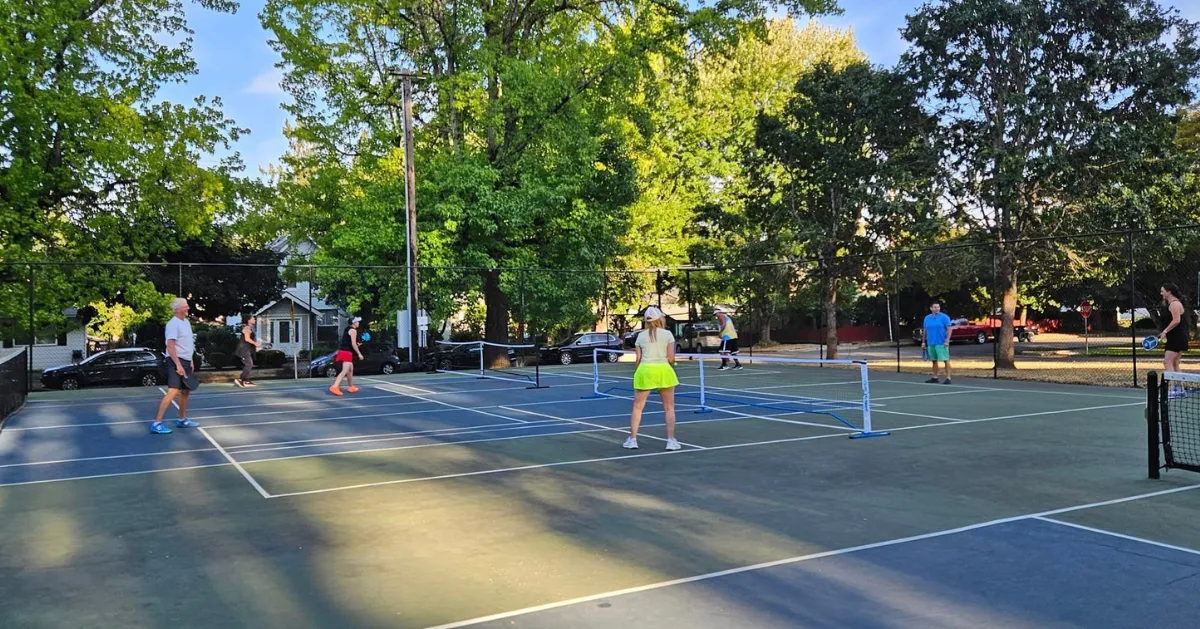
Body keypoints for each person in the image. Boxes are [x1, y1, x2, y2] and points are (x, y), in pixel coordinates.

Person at [624, 307, 681, 451]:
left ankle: (633, 439)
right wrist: (671, 363)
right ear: (659, 318)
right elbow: (671, 358)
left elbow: (637, 360)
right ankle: (670, 440)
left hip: (645, 370)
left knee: (637, 408)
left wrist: (638, 371)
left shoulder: (640, 336)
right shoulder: (668, 334)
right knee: (669, 407)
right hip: (663, 371)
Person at [151, 298, 200, 434]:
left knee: (185, 391)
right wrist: (178, 364)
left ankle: (182, 419)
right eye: (185, 306)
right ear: (178, 309)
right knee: (173, 391)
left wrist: (190, 361)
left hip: (185, 360)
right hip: (175, 361)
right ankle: (157, 423)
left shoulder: (187, 322)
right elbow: (170, 345)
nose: (188, 308)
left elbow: (188, 343)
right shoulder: (172, 324)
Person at [1159, 283, 1188, 395]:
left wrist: (1165, 331)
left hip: (1177, 337)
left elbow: (1176, 320)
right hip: (1175, 337)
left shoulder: (1175, 304)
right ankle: (1181, 390)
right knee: (1175, 363)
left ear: (1169, 291)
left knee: (1167, 362)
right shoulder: (1170, 304)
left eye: (1163, 291)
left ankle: (1171, 389)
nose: (1161, 293)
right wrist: (1164, 332)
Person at [330, 316, 364, 396]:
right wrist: (359, 353)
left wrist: (356, 345)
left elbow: (349, 342)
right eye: (357, 322)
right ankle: (334, 386)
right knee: (344, 371)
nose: (358, 323)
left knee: (350, 370)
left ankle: (350, 386)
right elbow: (353, 343)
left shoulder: (347, 329)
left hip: (343, 351)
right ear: (354, 323)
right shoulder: (353, 331)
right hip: (346, 353)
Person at [922, 302, 953, 384]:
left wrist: (947, 340)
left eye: (938, 307)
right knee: (934, 360)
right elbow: (925, 330)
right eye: (935, 307)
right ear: (931, 308)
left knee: (945, 360)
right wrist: (923, 342)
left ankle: (948, 378)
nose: (937, 309)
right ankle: (935, 377)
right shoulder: (927, 318)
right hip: (931, 342)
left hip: (941, 343)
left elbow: (949, 329)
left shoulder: (944, 317)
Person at [233, 315, 261, 388]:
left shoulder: (250, 328)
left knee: (249, 364)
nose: (254, 319)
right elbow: (247, 339)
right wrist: (255, 343)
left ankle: (247, 381)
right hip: (243, 349)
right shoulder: (247, 328)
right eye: (253, 319)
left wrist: (255, 344)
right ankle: (240, 379)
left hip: (247, 349)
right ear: (248, 320)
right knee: (249, 364)